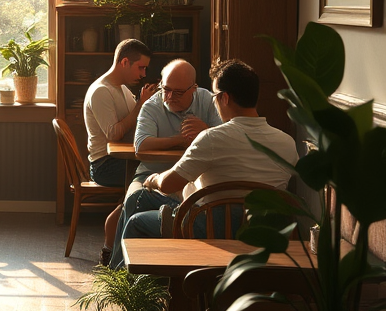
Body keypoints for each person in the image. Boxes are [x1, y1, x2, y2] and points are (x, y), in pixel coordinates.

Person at [109, 59, 298, 269]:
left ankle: (129, 292)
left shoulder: (213, 138)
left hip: (209, 226)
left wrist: (153, 180)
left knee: (138, 215)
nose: (214, 101)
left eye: (216, 96)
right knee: (143, 200)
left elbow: (169, 184)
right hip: (265, 231)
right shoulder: (287, 143)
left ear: (225, 98)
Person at [108, 59, 224, 264]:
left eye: (178, 92)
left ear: (194, 89)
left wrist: (205, 131)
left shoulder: (208, 100)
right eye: (166, 89)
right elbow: (142, 145)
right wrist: (182, 138)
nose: (169, 97)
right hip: (150, 173)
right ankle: (119, 275)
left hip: (195, 178)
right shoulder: (152, 105)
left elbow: (225, 138)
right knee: (133, 198)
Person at [83, 39, 159, 263]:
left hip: (120, 159)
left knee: (155, 175)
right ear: (125, 62)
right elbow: (114, 134)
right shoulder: (101, 91)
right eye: (141, 67)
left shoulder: (123, 89)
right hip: (105, 165)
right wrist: (140, 106)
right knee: (152, 178)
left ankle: (130, 247)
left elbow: (135, 125)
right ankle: (114, 248)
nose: (144, 73)